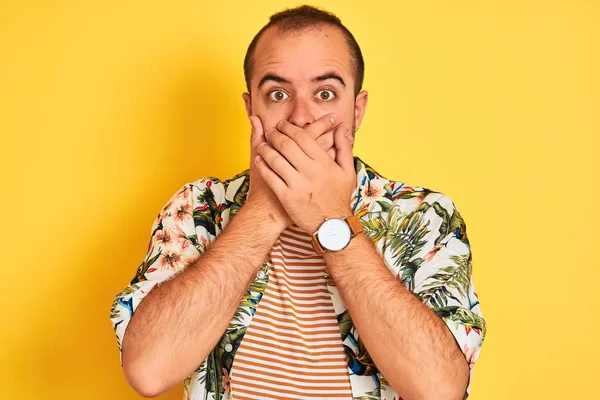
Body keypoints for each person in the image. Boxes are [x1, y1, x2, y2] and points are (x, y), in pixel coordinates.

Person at [110, 5, 486, 400]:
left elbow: (439, 390)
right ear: (251, 108)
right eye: (278, 94)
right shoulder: (198, 207)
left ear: (356, 112)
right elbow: (149, 371)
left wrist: (332, 220)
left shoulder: (424, 215)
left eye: (325, 93)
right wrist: (264, 210)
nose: (301, 117)